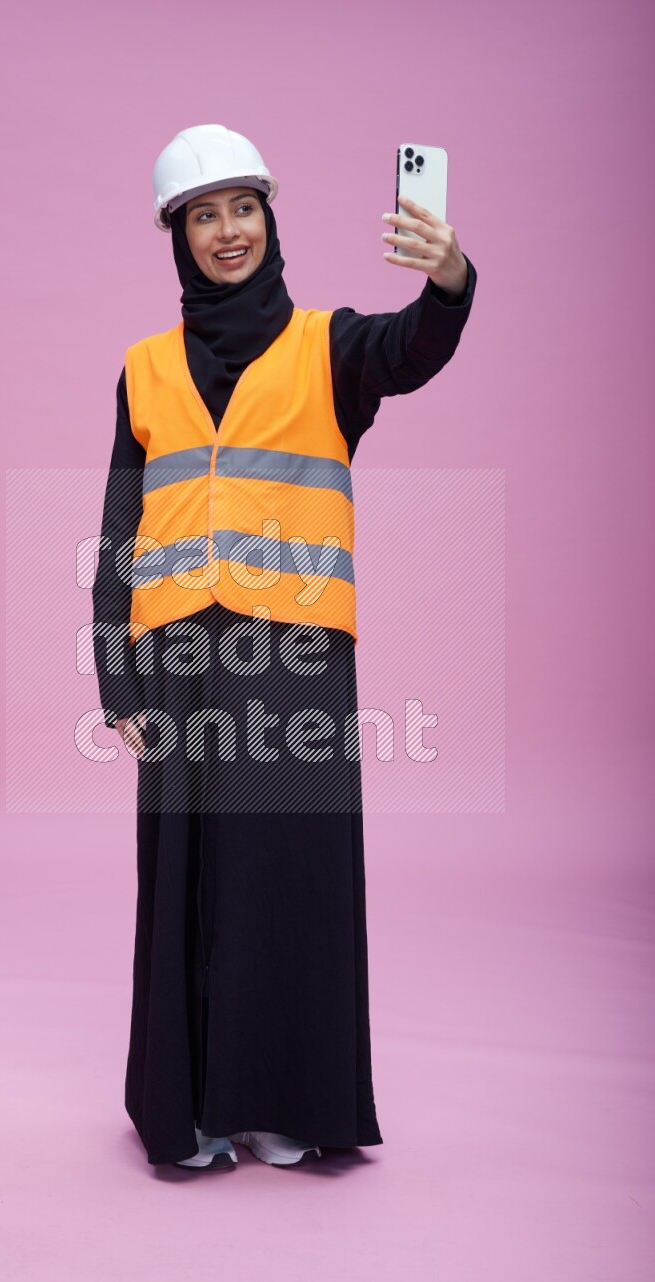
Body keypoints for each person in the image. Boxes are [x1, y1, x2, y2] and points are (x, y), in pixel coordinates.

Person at [92, 124, 477, 1172]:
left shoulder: (330, 345)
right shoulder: (142, 370)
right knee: (189, 881)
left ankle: (294, 1106)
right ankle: (197, 1113)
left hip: (292, 657)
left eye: (242, 208)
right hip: (174, 667)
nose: (226, 232)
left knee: (288, 876)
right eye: (203, 215)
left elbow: (415, 349)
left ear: (270, 217)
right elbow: (120, 531)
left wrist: (446, 280)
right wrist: (113, 675)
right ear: (177, 234)